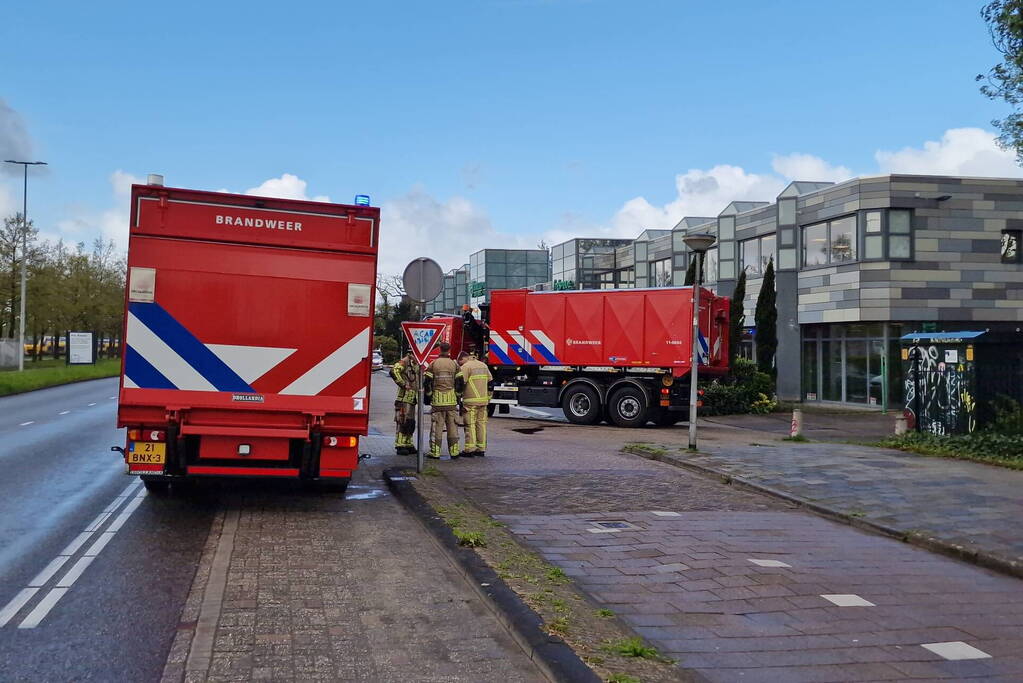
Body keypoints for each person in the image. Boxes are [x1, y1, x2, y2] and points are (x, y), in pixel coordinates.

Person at [423, 342, 462, 459]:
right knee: (453, 428)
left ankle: (435, 452)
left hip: (437, 402)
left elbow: (427, 382)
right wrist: (457, 396)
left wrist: (429, 395)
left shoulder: (433, 364)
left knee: (437, 429)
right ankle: (454, 452)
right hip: (451, 402)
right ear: (449, 350)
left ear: (440, 349)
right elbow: (460, 382)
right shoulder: (454, 364)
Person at [457, 350, 493, 457]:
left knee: (470, 424)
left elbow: (461, 383)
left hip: (470, 401)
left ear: (463, 359)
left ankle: (470, 449)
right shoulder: (483, 365)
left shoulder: (466, 367)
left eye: (460, 362)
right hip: (483, 401)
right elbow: (490, 382)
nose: (460, 365)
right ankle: (481, 448)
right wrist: (488, 398)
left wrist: (458, 397)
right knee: (481, 424)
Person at [389, 350, 418, 455]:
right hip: (403, 398)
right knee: (402, 421)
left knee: (410, 422)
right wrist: (403, 384)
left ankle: (408, 443)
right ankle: (400, 444)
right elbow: (393, 371)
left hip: (412, 399)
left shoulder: (416, 363)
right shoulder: (405, 361)